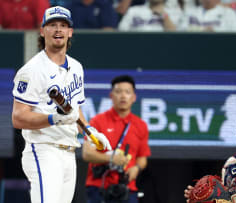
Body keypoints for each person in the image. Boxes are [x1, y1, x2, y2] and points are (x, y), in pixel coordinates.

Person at [11, 6, 117, 203]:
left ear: (70, 32)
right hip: (43, 149)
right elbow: (18, 118)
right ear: (42, 31)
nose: (58, 30)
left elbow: (74, 109)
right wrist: (54, 118)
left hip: (69, 152)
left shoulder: (76, 67)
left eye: (63, 25)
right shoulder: (32, 70)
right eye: (52, 25)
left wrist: (90, 131)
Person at [82, 75, 151, 203]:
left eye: (127, 92)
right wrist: (111, 158)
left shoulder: (140, 125)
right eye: (118, 91)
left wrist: (136, 168)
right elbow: (87, 153)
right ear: (111, 95)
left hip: (127, 189)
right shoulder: (98, 121)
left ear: (134, 97)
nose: (123, 96)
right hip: (99, 187)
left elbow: (142, 158)